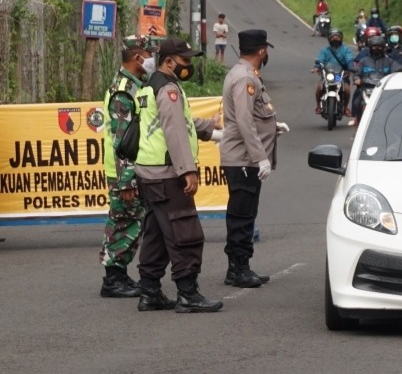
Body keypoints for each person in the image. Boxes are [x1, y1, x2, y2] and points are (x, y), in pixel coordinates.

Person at [133, 38, 223, 313]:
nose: (189, 65)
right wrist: (188, 170)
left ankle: (149, 291)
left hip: (148, 173)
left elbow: (180, 123)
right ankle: (188, 293)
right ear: (169, 61)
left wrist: (210, 127)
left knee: (157, 233)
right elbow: (174, 132)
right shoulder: (169, 89)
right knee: (185, 232)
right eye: (185, 61)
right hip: (167, 173)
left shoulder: (150, 86)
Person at [220, 30, 287, 288]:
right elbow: (244, 120)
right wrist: (260, 157)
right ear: (261, 50)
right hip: (243, 159)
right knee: (241, 215)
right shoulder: (245, 78)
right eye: (266, 50)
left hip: (244, 158)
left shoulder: (244, 74)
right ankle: (238, 268)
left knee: (246, 213)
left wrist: (273, 126)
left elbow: (255, 117)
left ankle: (241, 265)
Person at [99, 35, 156, 298]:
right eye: (149, 53)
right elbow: (122, 140)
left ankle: (119, 275)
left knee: (132, 222)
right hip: (124, 172)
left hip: (129, 170)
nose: (152, 59)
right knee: (123, 222)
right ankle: (113, 279)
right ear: (137, 57)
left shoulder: (133, 85)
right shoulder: (124, 91)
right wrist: (126, 181)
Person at [349, 35, 402, 125]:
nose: (377, 48)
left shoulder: (389, 61)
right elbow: (357, 73)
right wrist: (357, 79)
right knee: (357, 102)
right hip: (366, 88)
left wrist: (401, 71)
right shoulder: (364, 61)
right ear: (370, 48)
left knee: (398, 104)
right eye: (374, 46)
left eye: (379, 46)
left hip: (384, 90)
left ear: (383, 48)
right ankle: (357, 124)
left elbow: (398, 68)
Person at [313, 29, 354, 115]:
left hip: (342, 75)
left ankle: (345, 108)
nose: (335, 39)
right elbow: (320, 60)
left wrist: (350, 68)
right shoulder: (324, 50)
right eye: (333, 37)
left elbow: (349, 59)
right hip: (327, 75)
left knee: (346, 89)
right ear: (329, 39)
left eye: (337, 37)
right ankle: (318, 106)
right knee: (319, 88)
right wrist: (317, 67)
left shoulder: (346, 50)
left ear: (341, 38)